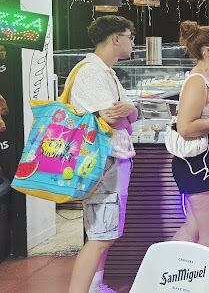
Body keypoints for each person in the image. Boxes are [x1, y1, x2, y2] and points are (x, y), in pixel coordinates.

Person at [67, 16, 138, 293]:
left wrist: (130, 110)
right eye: (130, 37)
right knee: (100, 236)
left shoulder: (106, 71)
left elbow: (127, 113)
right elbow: (114, 117)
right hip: (102, 160)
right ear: (116, 39)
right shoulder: (91, 72)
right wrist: (129, 111)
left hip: (110, 159)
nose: (133, 43)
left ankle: (96, 286)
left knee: (104, 233)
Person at [171, 21, 209, 251]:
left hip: (201, 164)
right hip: (200, 165)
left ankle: (168, 270)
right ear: (208, 51)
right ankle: (206, 276)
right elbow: (185, 127)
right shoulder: (197, 81)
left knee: (194, 227)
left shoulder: (206, 79)